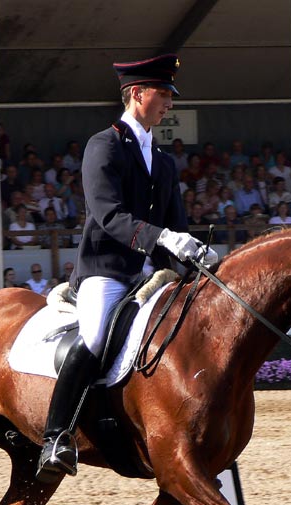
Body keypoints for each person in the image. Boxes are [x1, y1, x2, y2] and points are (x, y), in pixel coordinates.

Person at [37, 53, 217, 483]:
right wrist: (161, 239)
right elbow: (107, 214)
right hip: (104, 270)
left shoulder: (164, 160)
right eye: (163, 94)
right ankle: (55, 436)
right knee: (97, 336)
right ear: (137, 94)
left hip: (146, 274)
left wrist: (194, 255)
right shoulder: (104, 145)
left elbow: (177, 227)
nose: (169, 103)